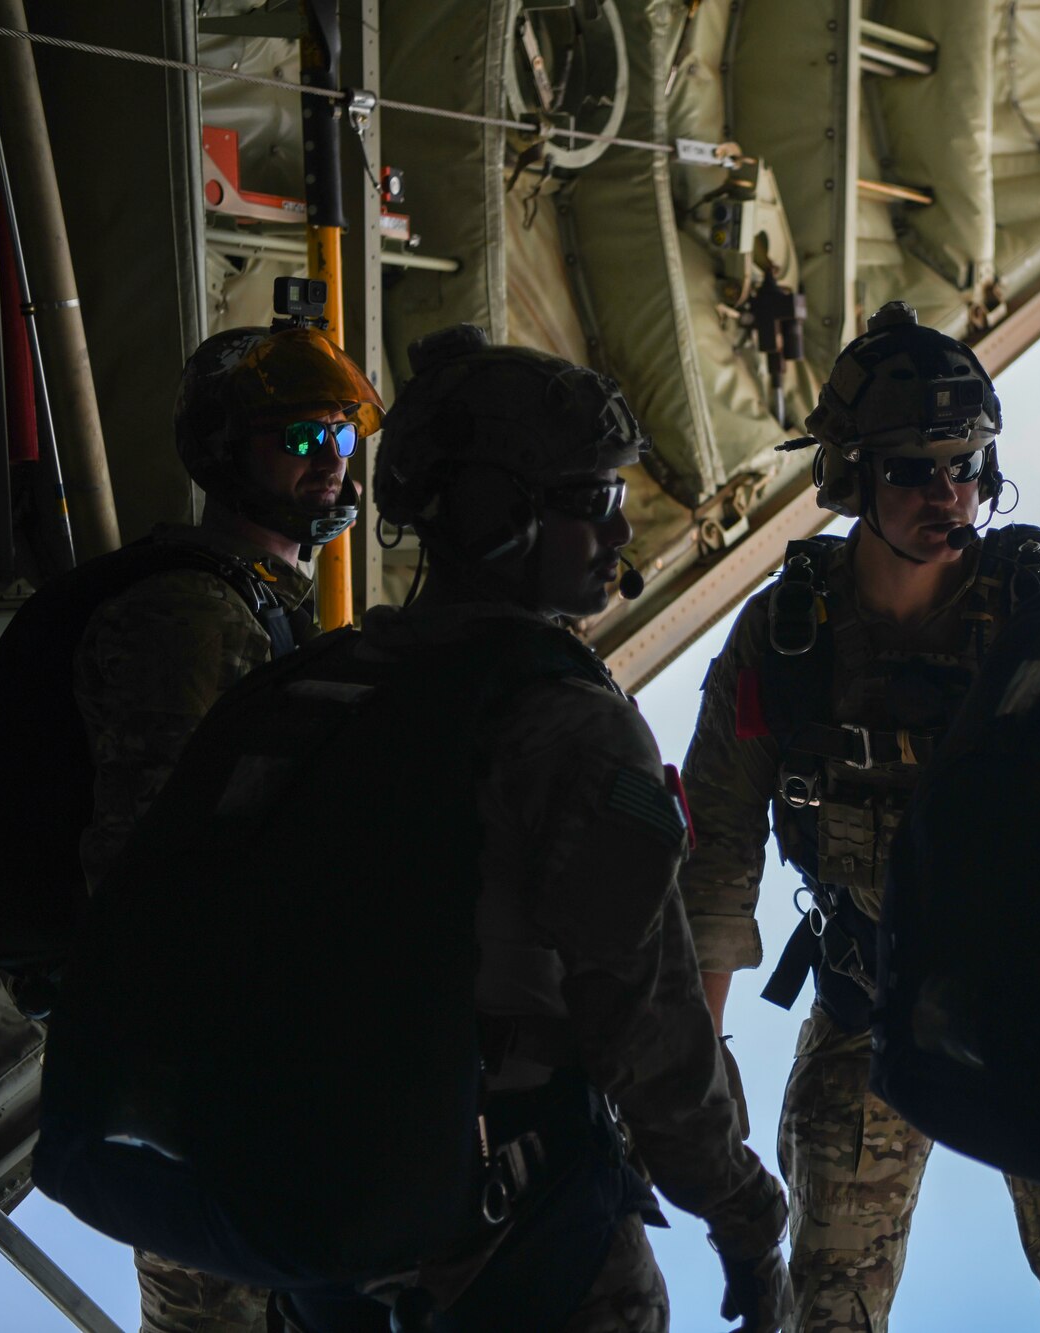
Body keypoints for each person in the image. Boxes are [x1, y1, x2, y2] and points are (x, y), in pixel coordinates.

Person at [268, 324, 791, 1330]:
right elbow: (646, 1019)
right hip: (519, 1237)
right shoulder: (568, 725)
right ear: (495, 514)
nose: (622, 534)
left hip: (319, 1237)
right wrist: (740, 1210)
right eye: (594, 501)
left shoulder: (316, 689)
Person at [0, 309, 377, 1328]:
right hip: (182, 1062)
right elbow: (155, 866)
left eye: (344, 440)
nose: (333, 465)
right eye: (303, 439)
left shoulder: (246, 604)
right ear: (227, 451)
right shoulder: (187, 608)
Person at [678, 301, 1040, 1332]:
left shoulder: (1037, 605)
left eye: (970, 465)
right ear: (852, 477)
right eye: (914, 470)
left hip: (1037, 1006)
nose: (951, 494)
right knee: (827, 1297)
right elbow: (717, 853)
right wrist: (699, 1063)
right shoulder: (788, 634)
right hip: (870, 994)